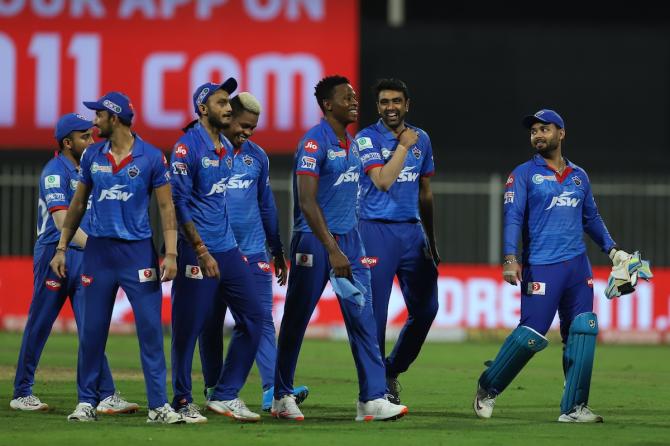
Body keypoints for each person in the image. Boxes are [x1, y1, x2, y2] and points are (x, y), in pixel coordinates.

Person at [473, 108, 631, 423]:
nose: (538, 136)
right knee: (531, 333)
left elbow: (591, 218)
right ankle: (487, 387)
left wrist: (613, 250)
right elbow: (513, 217)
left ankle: (574, 407)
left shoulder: (578, 175)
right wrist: (509, 257)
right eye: (534, 131)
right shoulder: (522, 174)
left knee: (583, 330)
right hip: (541, 266)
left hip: (577, 267)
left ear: (561, 133)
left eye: (544, 129)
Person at [272, 75, 408, 422]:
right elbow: (306, 201)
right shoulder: (314, 143)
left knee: (364, 319)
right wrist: (332, 249)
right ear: (327, 105)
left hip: (350, 240)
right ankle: (281, 396)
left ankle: (372, 400)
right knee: (296, 320)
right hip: (316, 241)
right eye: (346, 97)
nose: (354, 101)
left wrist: (347, 243)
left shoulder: (351, 143)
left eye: (354, 95)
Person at [50, 93, 183, 424]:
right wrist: (62, 247)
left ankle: (158, 407)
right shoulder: (93, 154)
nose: (94, 122)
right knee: (92, 332)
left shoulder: (151, 157)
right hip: (98, 253)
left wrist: (171, 253)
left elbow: (167, 208)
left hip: (138, 253)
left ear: (116, 118)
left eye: (99, 116)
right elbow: (78, 204)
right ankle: (85, 402)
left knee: (151, 332)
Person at [10, 114, 137, 415]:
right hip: (55, 254)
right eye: (85, 137)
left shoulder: (89, 169)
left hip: (84, 257)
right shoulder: (55, 173)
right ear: (67, 143)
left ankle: (105, 394)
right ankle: (21, 391)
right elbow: (61, 220)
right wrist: (97, 248)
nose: (92, 141)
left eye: (92, 136)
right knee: (40, 324)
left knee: (91, 328)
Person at [197, 92, 309, 412]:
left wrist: (276, 250)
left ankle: (272, 389)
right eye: (244, 125)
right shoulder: (204, 152)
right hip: (213, 252)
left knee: (261, 319)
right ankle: (214, 387)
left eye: (253, 128)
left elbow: (265, 204)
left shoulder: (257, 157)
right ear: (227, 116)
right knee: (210, 322)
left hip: (252, 251)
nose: (247, 132)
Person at [169, 80, 263, 423]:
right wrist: (200, 249)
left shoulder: (224, 146)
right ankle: (181, 400)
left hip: (227, 249)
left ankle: (225, 394)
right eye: (222, 102)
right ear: (203, 109)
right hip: (198, 252)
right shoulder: (185, 148)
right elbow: (179, 205)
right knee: (187, 328)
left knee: (254, 318)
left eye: (229, 102)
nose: (229, 107)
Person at [355, 78, 439, 404]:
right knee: (374, 316)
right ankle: (375, 391)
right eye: (384, 102)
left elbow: (425, 192)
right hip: (374, 232)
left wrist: (431, 240)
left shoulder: (423, 140)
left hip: (412, 233)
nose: (391, 107)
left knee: (427, 308)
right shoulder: (366, 139)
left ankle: (391, 369)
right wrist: (402, 145)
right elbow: (383, 181)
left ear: (407, 105)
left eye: (396, 101)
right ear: (378, 107)